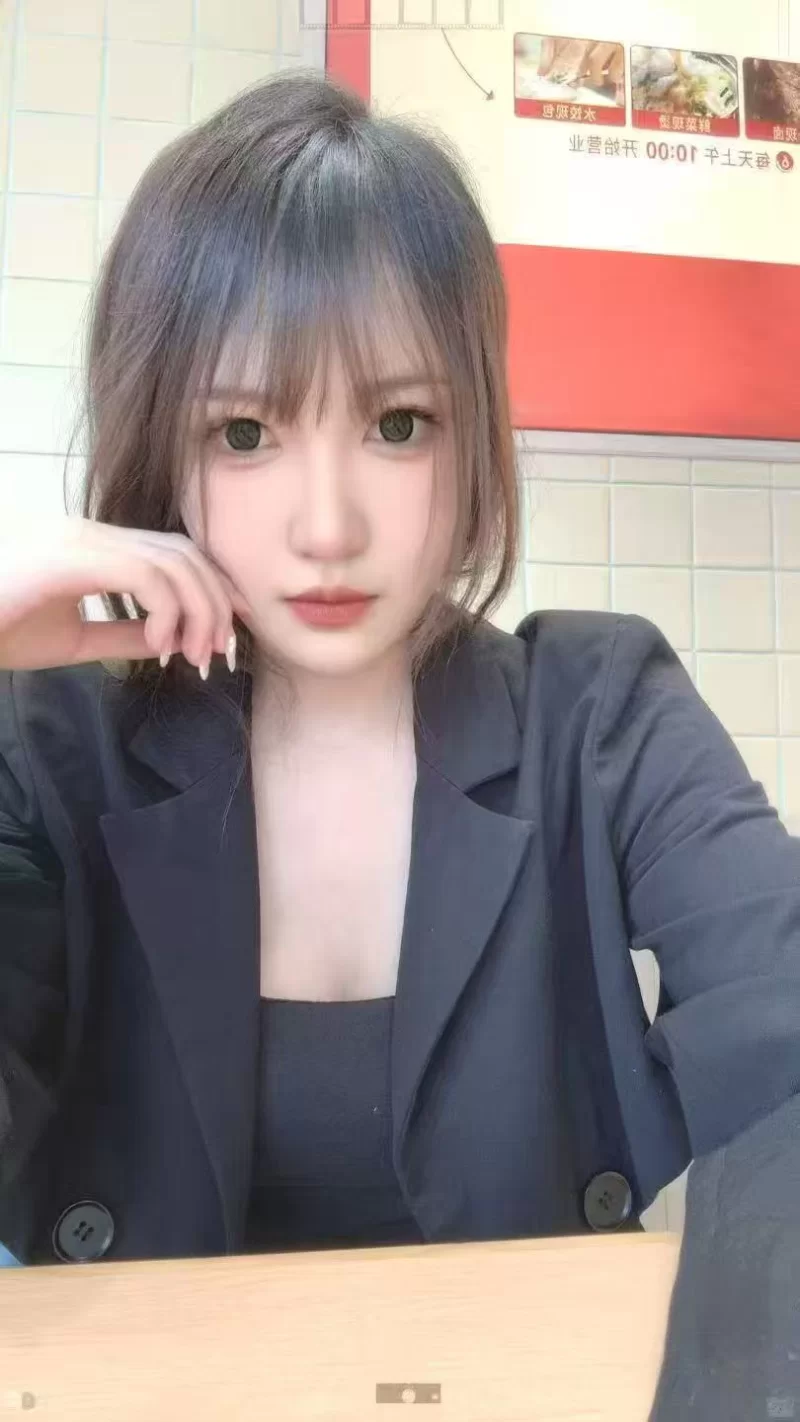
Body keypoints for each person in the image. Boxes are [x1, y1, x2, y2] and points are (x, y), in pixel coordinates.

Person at [0, 68, 799, 1416]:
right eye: (245, 430)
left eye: (398, 423)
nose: (329, 525)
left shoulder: (598, 715)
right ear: (162, 448)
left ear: (471, 431)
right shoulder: (54, 745)